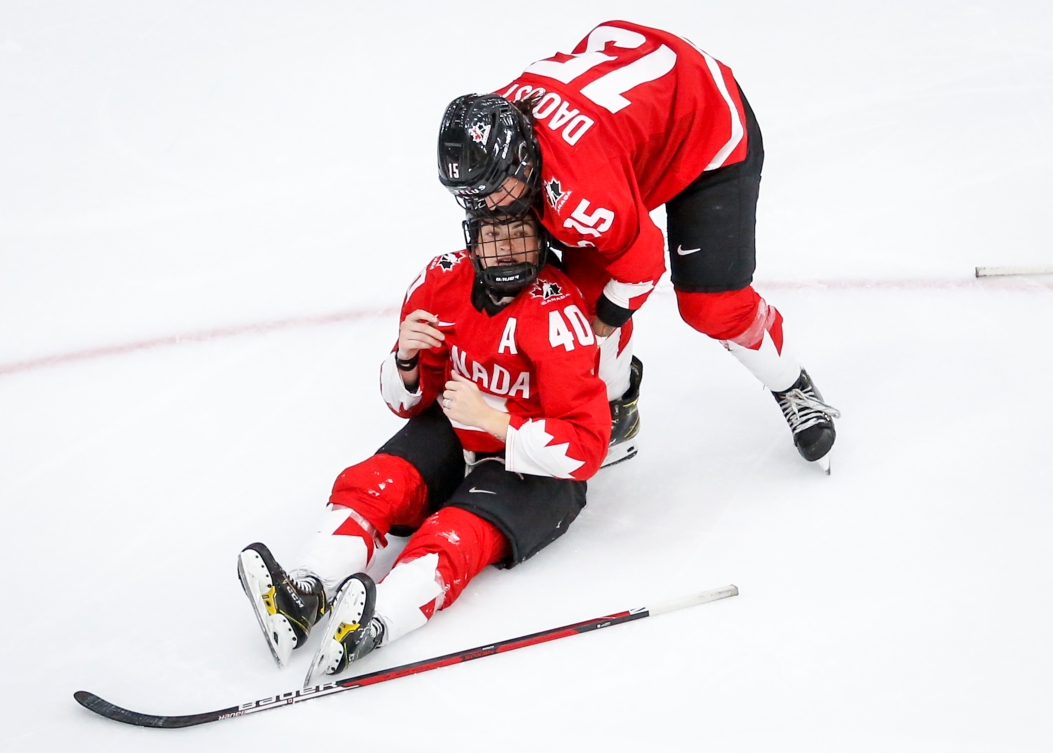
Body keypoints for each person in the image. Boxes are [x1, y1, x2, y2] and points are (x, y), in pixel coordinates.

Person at [437, 20, 840, 470]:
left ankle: (792, 383)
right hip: (630, 116)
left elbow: (642, 265)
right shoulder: (498, 128)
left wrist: (607, 316)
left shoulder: (580, 194)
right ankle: (615, 408)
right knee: (578, 299)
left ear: (524, 158)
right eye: (475, 194)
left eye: (496, 190)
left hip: (703, 120)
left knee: (709, 305)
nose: (488, 208)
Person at [237, 213, 610, 685]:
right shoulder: (441, 278)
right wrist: (407, 361)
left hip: (540, 467)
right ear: (473, 240)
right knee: (376, 483)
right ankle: (304, 591)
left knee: (455, 532)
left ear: (542, 239)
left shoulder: (558, 315)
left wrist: (495, 421)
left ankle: (372, 624)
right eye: (494, 235)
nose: (508, 248)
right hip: (458, 426)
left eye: (520, 233)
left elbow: (586, 449)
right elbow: (408, 400)